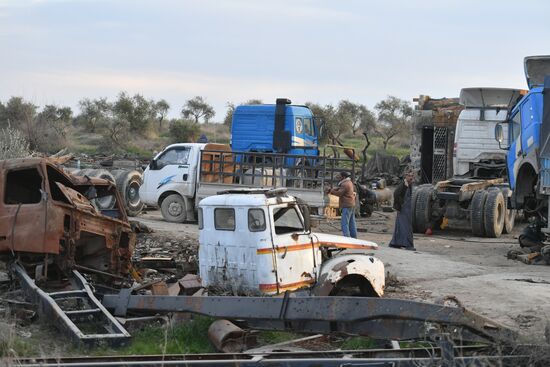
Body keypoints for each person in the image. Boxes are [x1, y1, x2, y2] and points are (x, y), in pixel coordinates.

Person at [389, 170, 415, 251]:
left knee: (400, 226)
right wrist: (400, 204)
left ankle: (395, 243)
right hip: (403, 209)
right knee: (405, 227)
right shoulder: (402, 185)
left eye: (412, 176)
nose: (411, 178)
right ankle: (407, 245)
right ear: (405, 176)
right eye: (409, 176)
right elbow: (396, 194)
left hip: (407, 209)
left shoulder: (409, 185)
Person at [326, 171, 357, 238]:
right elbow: (341, 189)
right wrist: (334, 189)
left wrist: (331, 191)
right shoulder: (349, 182)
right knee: (352, 223)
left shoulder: (344, 184)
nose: (338, 177)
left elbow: (339, 193)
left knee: (344, 223)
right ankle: (354, 237)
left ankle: (347, 237)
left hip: (346, 205)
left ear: (343, 177)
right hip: (351, 204)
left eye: (340, 176)